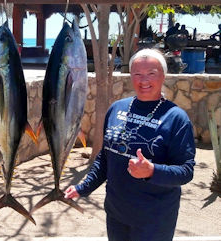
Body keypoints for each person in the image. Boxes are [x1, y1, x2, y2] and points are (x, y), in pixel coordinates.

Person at [64, 48, 195, 241]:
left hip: (154, 220)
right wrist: (83, 187)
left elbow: (186, 171)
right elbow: (105, 157)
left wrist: (152, 171)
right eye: (138, 74)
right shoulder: (117, 109)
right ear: (130, 76)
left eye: (151, 74)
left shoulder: (176, 118)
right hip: (116, 214)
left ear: (163, 75)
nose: (144, 81)